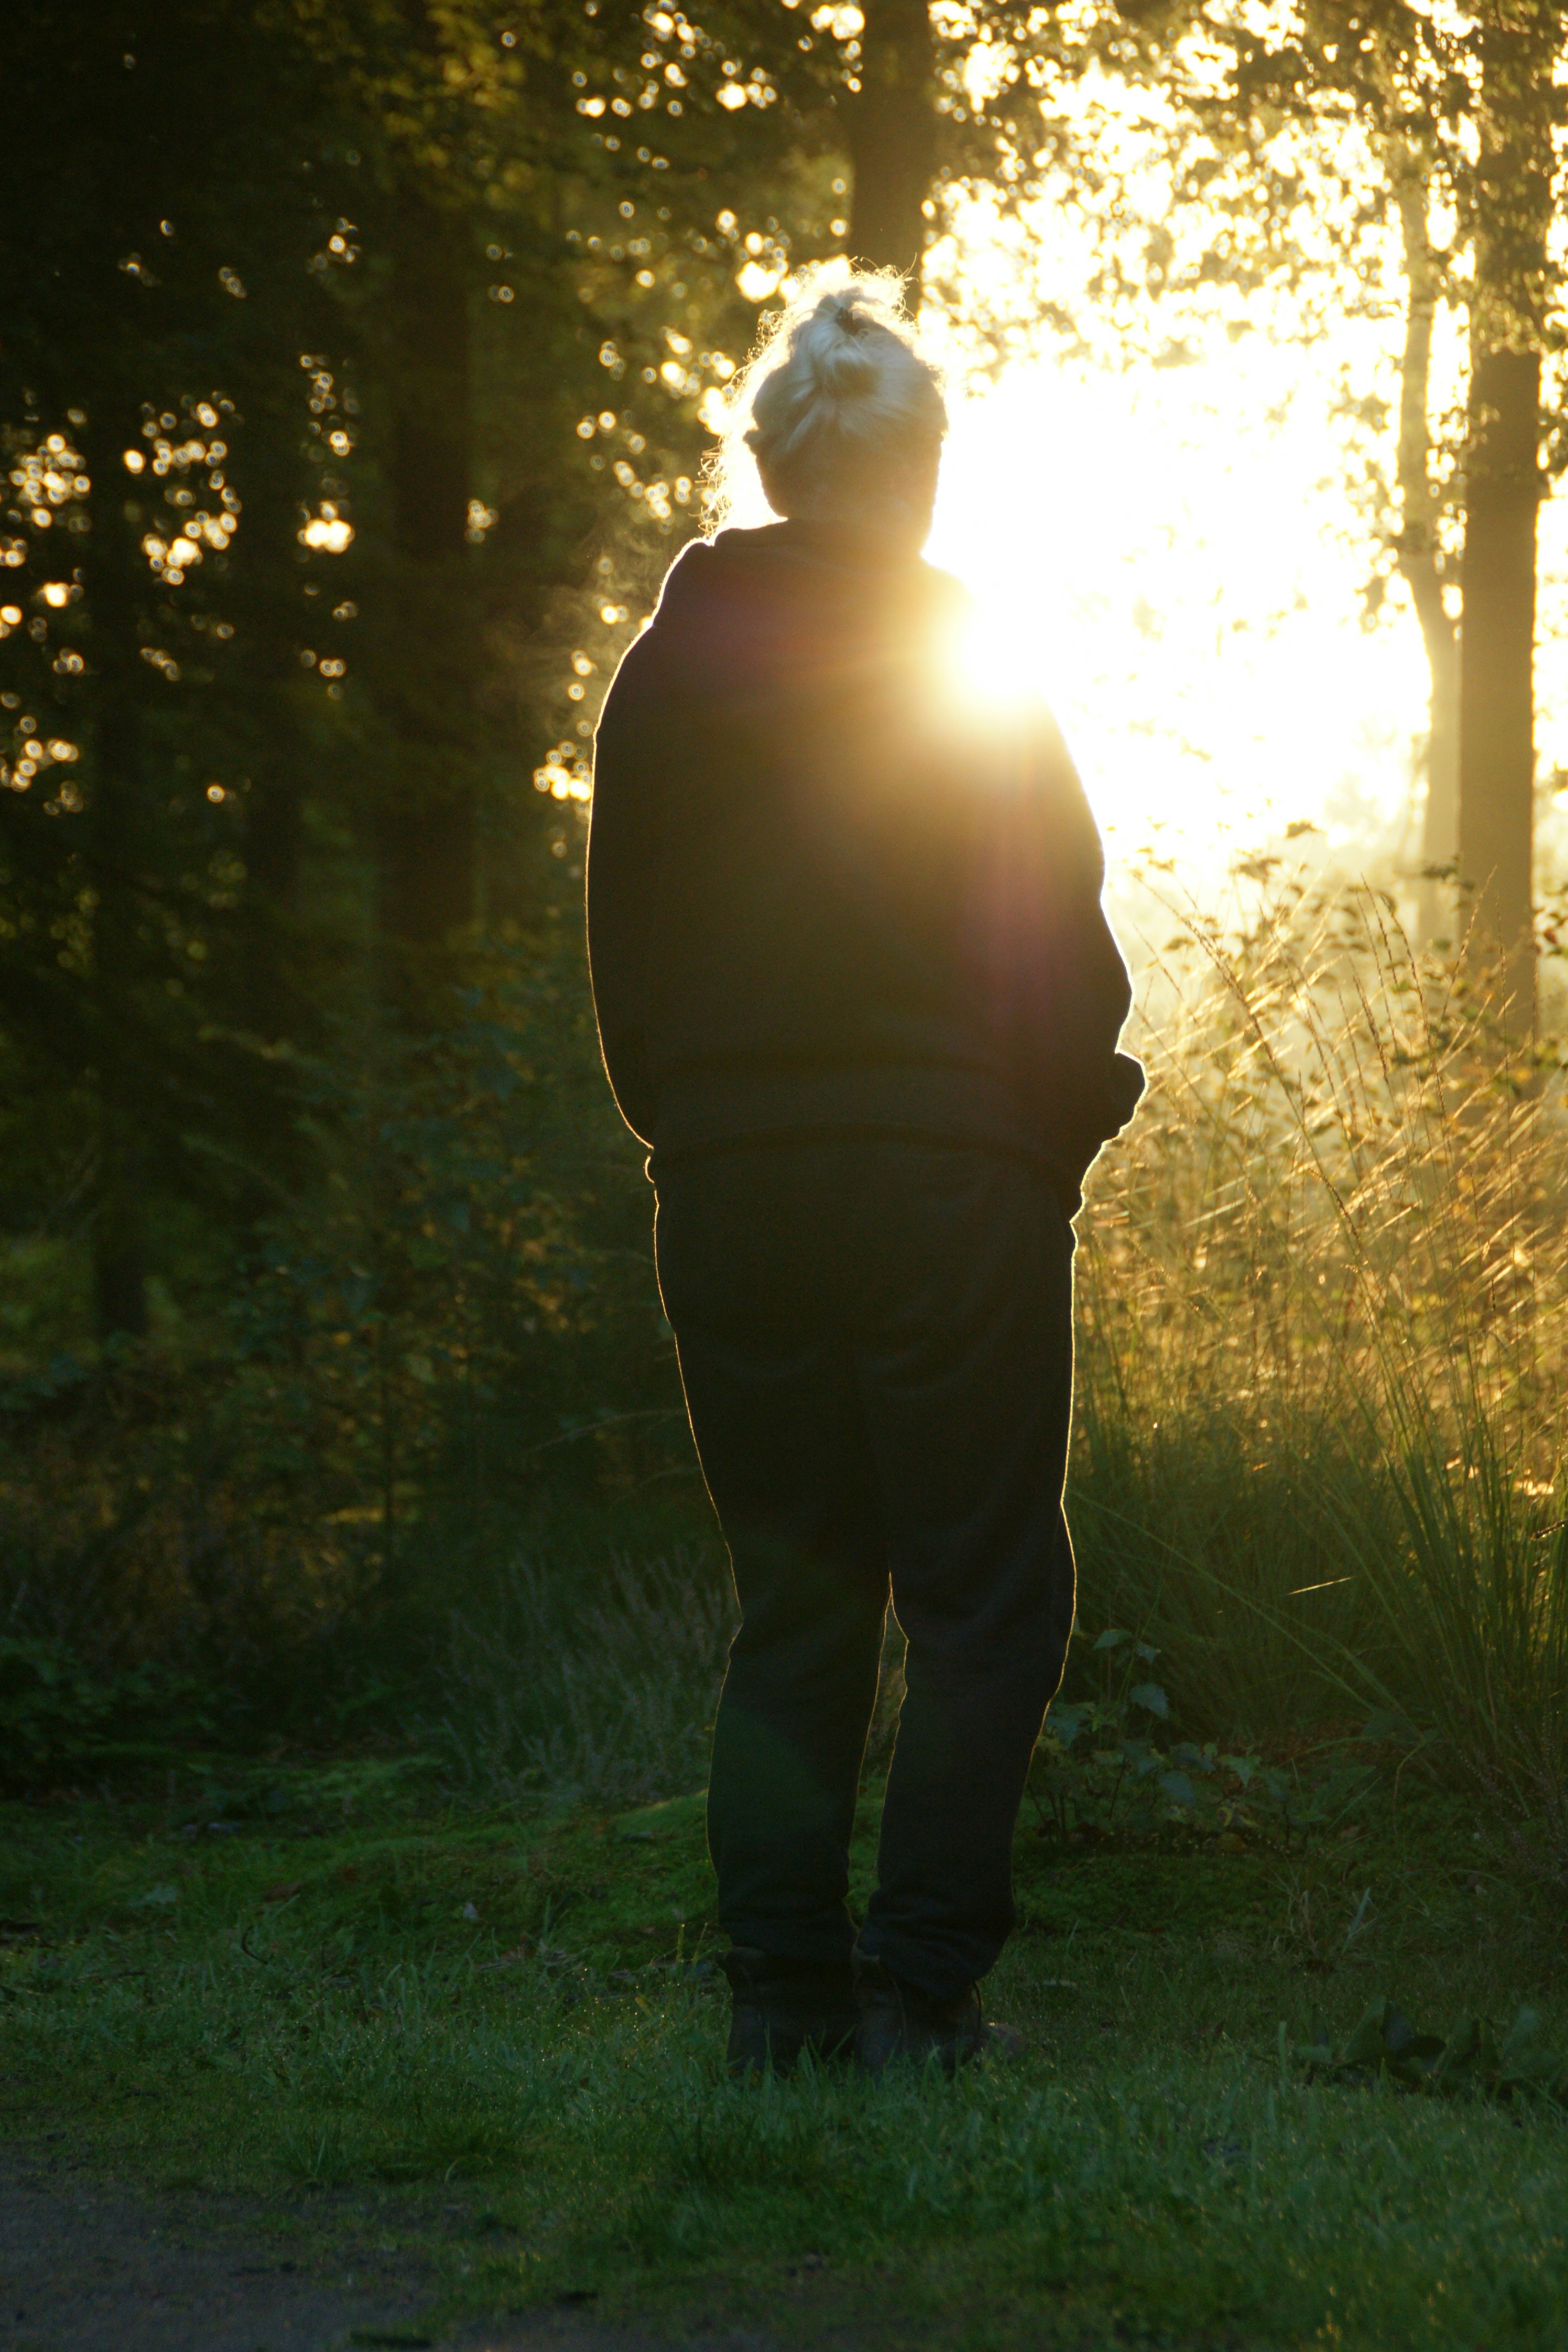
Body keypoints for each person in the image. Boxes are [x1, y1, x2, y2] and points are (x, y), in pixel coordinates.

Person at [586, 265, 1143, 2076]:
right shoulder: (965, 665)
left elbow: (626, 959)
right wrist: (1054, 1126)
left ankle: (780, 2006)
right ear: (920, 477)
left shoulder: (667, 672)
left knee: (799, 1597)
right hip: (946, 1183)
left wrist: (699, 1137)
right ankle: (916, 1992)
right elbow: (1062, 947)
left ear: (767, 467)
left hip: (736, 1192)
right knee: (984, 1596)